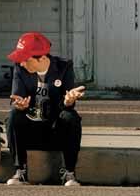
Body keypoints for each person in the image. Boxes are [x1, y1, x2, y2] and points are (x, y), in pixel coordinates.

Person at [5, 31, 85, 186]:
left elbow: (67, 101)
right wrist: (20, 105)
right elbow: (17, 97)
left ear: (41, 58)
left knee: (71, 117)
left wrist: (68, 101)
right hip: (31, 131)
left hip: (55, 131)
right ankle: (20, 171)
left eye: (25, 59)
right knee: (13, 116)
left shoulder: (63, 67)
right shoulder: (20, 68)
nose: (21, 63)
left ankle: (69, 173)